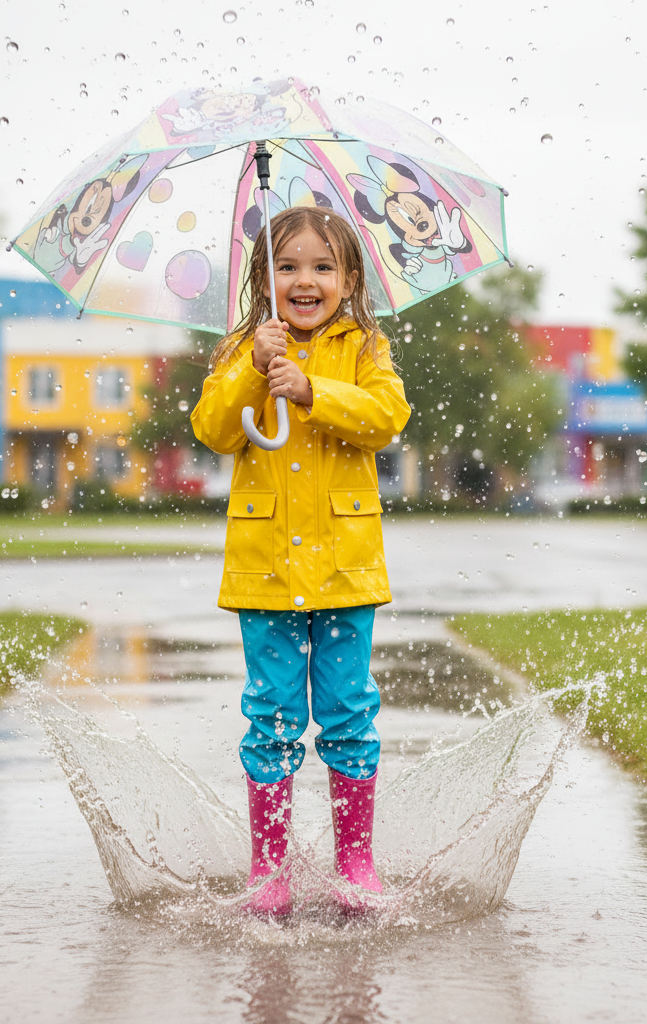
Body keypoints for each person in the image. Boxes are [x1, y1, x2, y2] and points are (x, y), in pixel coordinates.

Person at [191, 206, 410, 917]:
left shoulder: (367, 350)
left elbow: (385, 419)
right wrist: (256, 371)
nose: (305, 280)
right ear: (264, 279)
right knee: (272, 719)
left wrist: (313, 390)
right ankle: (270, 868)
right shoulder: (244, 350)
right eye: (287, 266)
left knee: (348, 715)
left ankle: (356, 861)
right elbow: (215, 431)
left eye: (322, 267)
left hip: (345, 568)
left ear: (349, 279)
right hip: (266, 572)